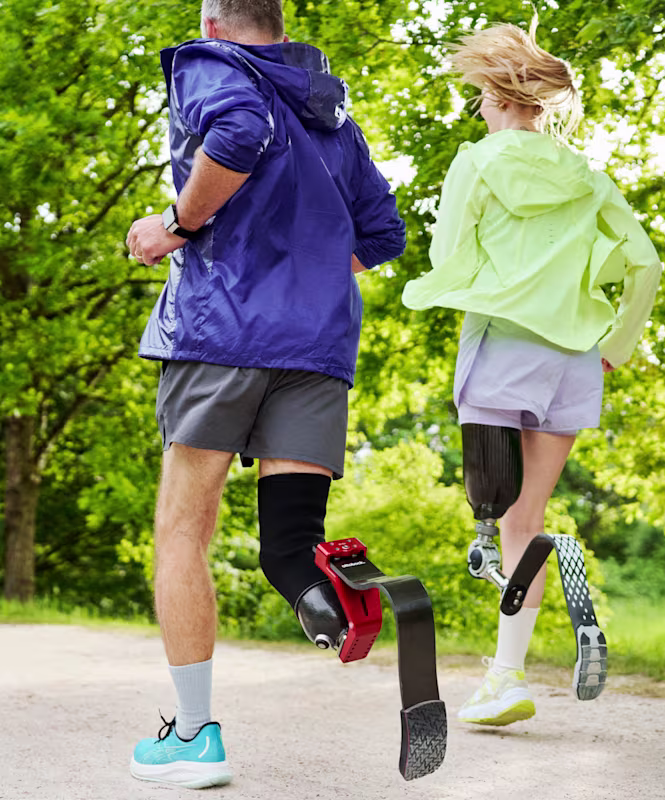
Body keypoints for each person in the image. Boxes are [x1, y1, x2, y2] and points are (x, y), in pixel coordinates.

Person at [125, 0, 405, 787]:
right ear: (279, 25)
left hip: (222, 334)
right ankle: (336, 593)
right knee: (288, 547)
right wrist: (305, 280)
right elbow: (382, 233)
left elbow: (238, 135)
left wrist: (177, 223)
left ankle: (192, 738)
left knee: (183, 530)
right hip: (315, 348)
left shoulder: (211, 65)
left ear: (214, 24)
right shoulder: (331, 114)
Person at [402, 17, 662, 726]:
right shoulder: (589, 177)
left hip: (502, 350)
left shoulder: (478, 162)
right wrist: (618, 342)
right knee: (530, 520)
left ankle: (508, 678)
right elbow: (646, 263)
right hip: (575, 361)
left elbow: (448, 258)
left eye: (482, 96)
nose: (479, 108)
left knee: (491, 519)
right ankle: (507, 673)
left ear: (499, 94)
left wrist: (438, 289)